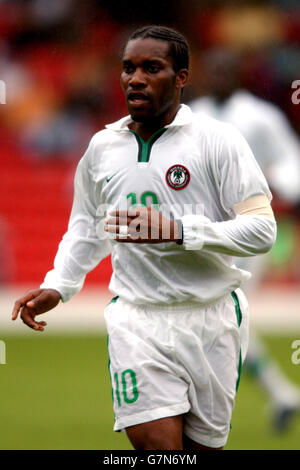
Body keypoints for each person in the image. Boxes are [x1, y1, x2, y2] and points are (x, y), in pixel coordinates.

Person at [12, 26, 277, 450]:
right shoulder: (102, 147)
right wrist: (58, 285)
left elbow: (262, 230)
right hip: (136, 319)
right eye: (128, 68)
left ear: (182, 77)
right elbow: (87, 225)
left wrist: (178, 231)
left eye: (152, 68)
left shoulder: (217, 141)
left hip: (212, 319)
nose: (135, 78)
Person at [189, 48, 300, 432]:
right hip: (203, 229)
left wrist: (277, 183)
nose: (217, 76)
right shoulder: (193, 115)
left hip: (245, 228)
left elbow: (291, 161)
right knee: (223, 319)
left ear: (238, 75)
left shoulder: (260, 117)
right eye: (213, 69)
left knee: (223, 312)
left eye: (225, 69)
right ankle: (281, 394)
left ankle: (198, 406)